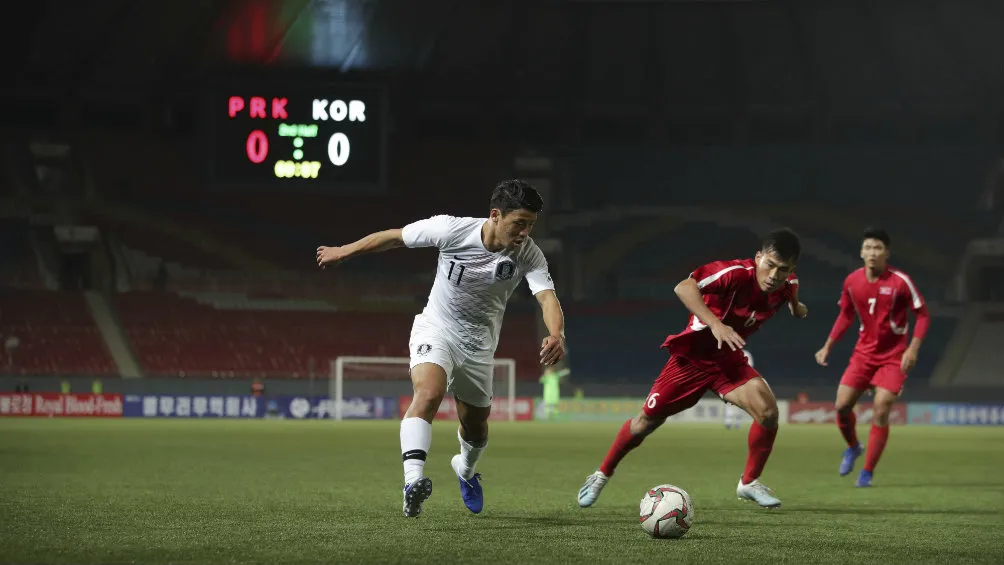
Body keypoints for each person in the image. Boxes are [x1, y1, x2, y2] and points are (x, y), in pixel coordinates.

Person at [316, 180, 566, 518]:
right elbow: (394, 237)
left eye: (530, 225)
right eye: (519, 223)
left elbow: (547, 297)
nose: (524, 232)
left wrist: (556, 333)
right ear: (495, 215)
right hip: (438, 328)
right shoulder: (450, 230)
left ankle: (464, 469)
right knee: (429, 393)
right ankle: (412, 483)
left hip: (479, 345)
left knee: (476, 427)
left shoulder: (529, 253)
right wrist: (344, 251)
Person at [577, 228, 808, 509]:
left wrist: (796, 307)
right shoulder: (733, 273)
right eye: (769, 265)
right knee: (644, 422)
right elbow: (683, 287)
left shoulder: (787, 283)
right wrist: (715, 323)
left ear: (791, 269)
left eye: (782, 269)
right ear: (758, 257)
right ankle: (601, 474)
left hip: (727, 361)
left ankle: (748, 483)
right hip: (692, 359)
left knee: (769, 413)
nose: (773, 275)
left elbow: (791, 292)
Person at [814, 228, 929, 487]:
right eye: (868, 247)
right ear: (861, 252)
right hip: (863, 354)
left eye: (878, 248)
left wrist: (913, 348)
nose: (872, 253)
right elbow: (845, 315)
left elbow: (923, 314)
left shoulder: (900, 281)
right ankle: (854, 447)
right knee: (842, 406)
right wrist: (828, 346)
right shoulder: (852, 281)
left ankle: (866, 472)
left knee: (882, 408)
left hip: (893, 356)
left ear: (886, 253)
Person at [724, 349, 754, 430]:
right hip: (731, 381)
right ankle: (728, 422)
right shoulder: (729, 353)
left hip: (742, 382)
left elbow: (749, 367)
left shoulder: (746, 353)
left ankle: (737, 423)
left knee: (741, 403)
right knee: (730, 403)